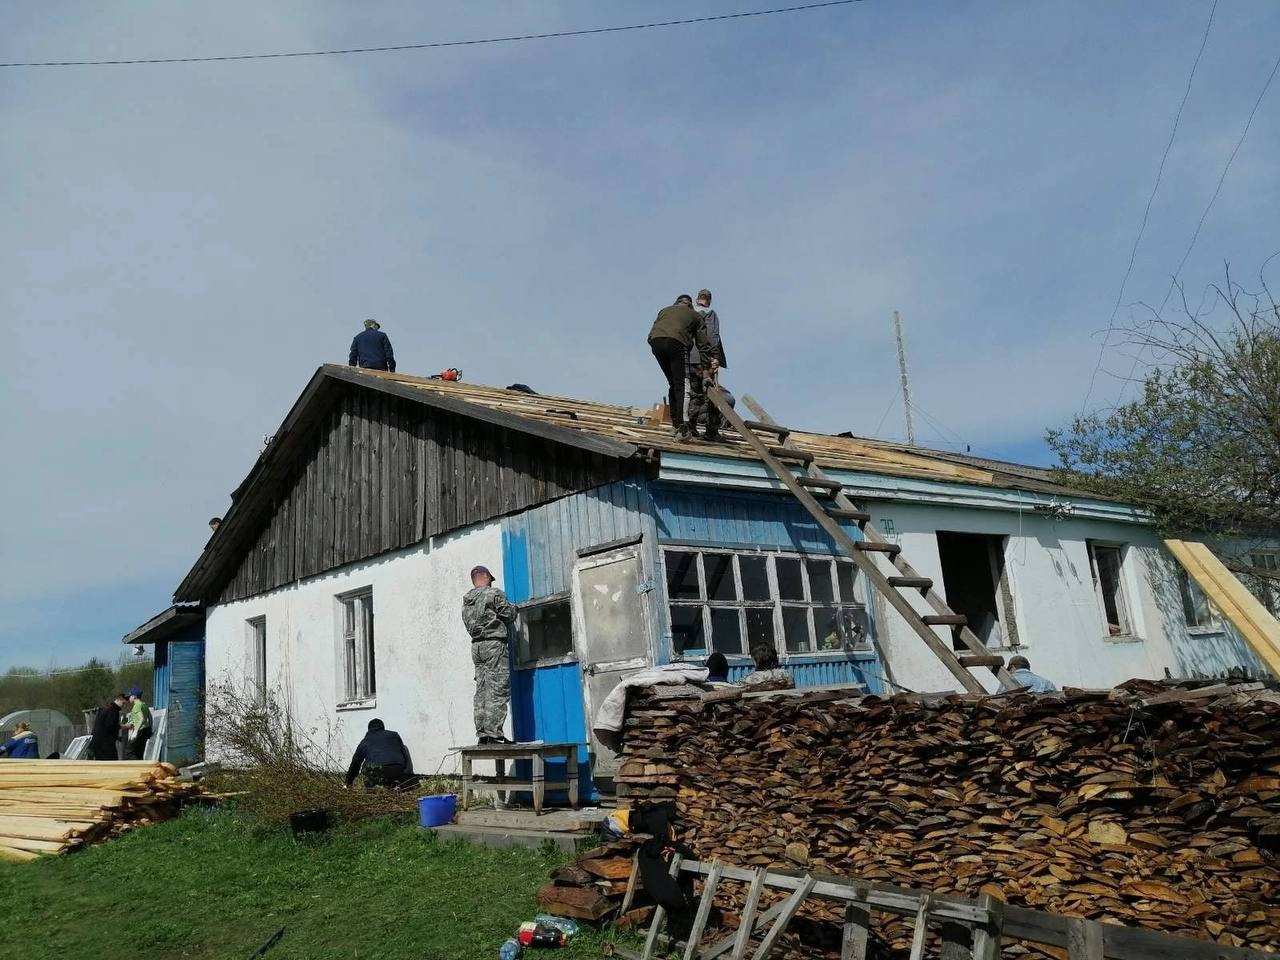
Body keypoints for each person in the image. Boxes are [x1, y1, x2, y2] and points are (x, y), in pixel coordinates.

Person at [648, 295, 716, 442]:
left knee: (673, 383)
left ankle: (675, 424)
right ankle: (683, 428)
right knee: (683, 385)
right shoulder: (696, 316)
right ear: (690, 305)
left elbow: (651, 334)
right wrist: (706, 372)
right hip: (677, 343)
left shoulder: (664, 310)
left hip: (656, 343)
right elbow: (703, 345)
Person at [462, 565, 518, 744]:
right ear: (485, 576)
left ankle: (483, 734)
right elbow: (508, 614)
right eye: (490, 579)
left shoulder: (467, 601)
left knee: (482, 690)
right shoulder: (493, 593)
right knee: (497, 688)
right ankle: (495, 734)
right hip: (494, 644)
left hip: (477, 647)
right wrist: (515, 608)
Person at [686, 289, 729, 441]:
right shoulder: (710, 314)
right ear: (709, 301)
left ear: (697, 299)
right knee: (711, 394)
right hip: (705, 360)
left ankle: (691, 428)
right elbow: (713, 336)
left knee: (695, 394)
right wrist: (715, 358)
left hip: (690, 359)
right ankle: (711, 432)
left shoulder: (689, 312)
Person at [344, 718, 413, 788]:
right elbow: (404, 753)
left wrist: (348, 782)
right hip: (397, 770)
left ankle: (373, 789)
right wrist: (406, 774)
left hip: (377, 772)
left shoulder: (365, 741)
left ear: (369, 729)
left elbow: (355, 763)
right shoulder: (394, 735)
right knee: (404, 748)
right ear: (383, 727)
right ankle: (399, 784)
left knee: (366, 765)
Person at [89, 694, 127, 761]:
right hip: (104, 745)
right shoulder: (113, 710)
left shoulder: (106, 708)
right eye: (123, 703)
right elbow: (110, 726)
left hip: (98, 743)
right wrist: (123, 726)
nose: (123, 705)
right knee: (112, 764)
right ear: (118, 700)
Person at [123, 687, 153, 760]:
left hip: (139, 731)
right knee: (139, 752)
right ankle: (141, 769)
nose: (129, 698)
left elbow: (141, 718)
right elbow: (150, 718)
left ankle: (135, 767)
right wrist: (150, 729)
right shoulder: (144, 705)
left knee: (128, 752)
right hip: (145, 731)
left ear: (134, 696)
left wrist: (135, 732)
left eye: (130, 696)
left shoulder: (137, 705)